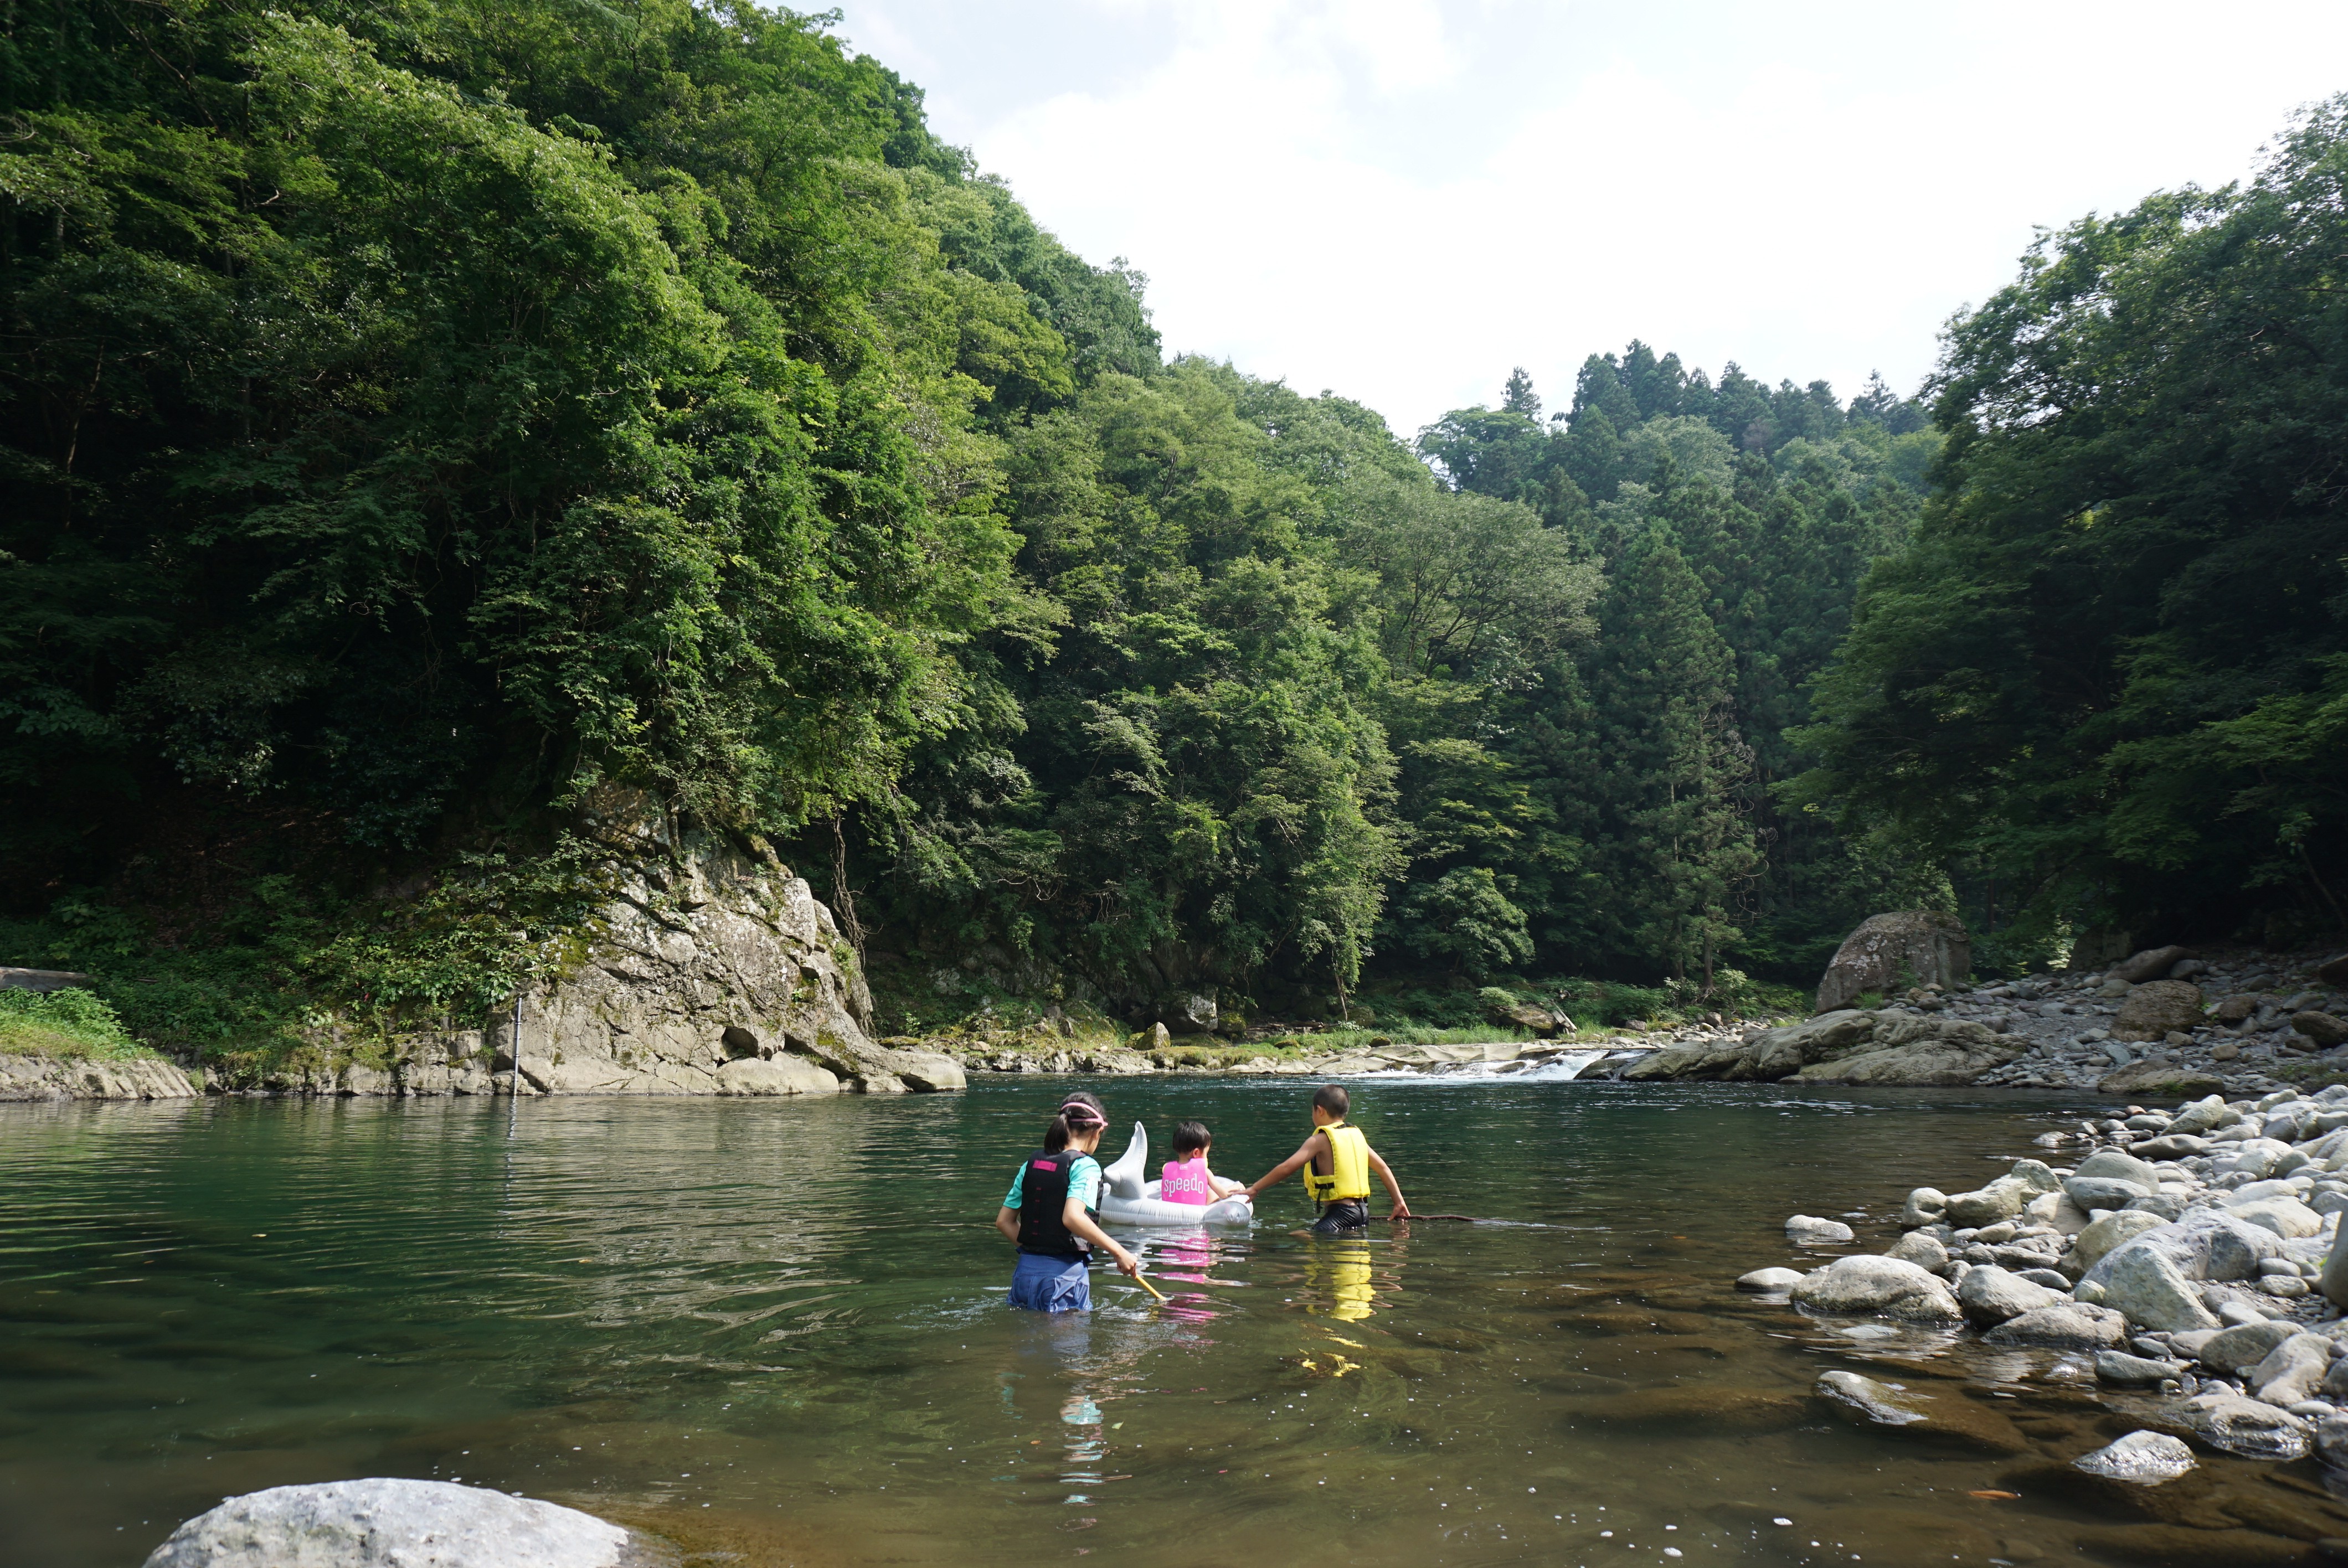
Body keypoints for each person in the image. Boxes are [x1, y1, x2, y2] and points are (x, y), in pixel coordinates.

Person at [995, 1091, 1142, 1311]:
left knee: (1027, 1342)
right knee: (1068, 1345)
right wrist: (1119, 1252)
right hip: (1064, 1279)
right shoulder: (1086, 1166)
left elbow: (1004, 1222)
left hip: (1024, 1274)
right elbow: (1072, 1217)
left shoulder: (1031, 1164)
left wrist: (1038, 1252)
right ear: (1097, 1131)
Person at [1242, 1083, 1410, 1234]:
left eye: (1313, 1111)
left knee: (1299, 1236)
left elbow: (1287, 1168)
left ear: (1320, 1110)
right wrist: (1399, 1203)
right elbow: (1383, 1168)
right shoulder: (1356, 1136)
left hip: (1342, 1214)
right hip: (1363, 1212)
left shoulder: (1320, 1140)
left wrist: (1255, 1188)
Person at [1159, 1120, 1245, 1206]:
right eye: (1206, 1153)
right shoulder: (1205, 1171)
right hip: (1197, 1216)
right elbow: (1224, 1194)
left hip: (1170, 1217)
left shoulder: (1166, 1169)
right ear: (1196, 1153)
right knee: (1212, 1193)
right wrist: (1237, 1187)